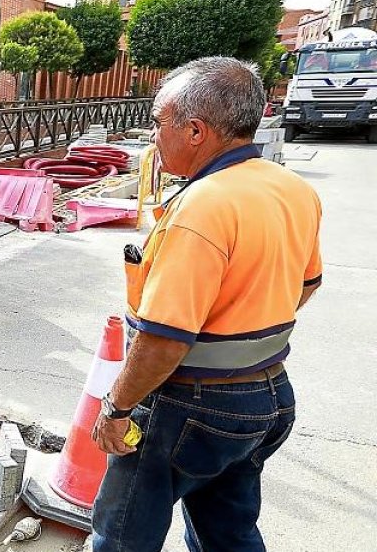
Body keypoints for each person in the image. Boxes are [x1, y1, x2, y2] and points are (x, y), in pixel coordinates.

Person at [91, 57, 322, 552]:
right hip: (268, 398)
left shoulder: (202, 207)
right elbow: (307, 284)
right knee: (228, 534)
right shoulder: (292, 189)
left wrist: (117, 407)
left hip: (189, 407)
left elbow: (162, 339)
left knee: (122, 537)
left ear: (195, 131)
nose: (153, 135)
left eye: (158, 122)